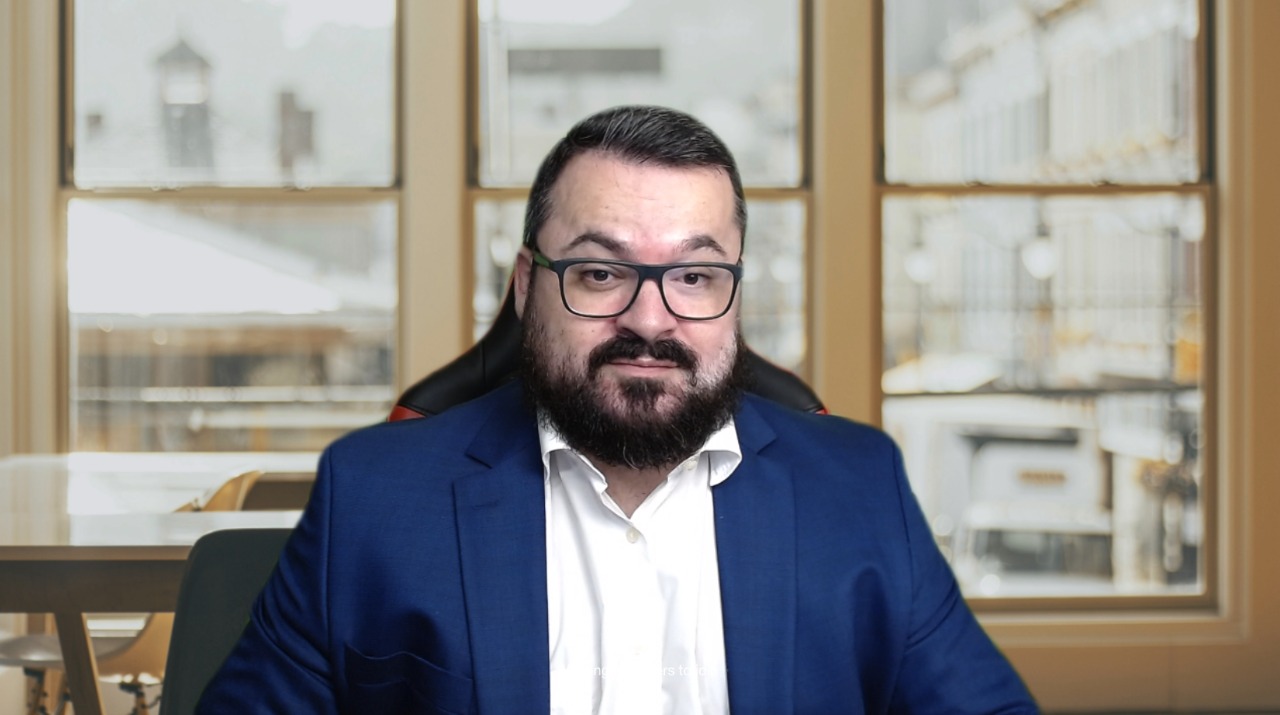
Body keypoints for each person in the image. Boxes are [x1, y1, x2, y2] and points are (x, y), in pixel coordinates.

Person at [198, 105, 1038, 714]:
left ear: (735, 293)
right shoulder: (373, 498)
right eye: (600, 273)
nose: (649, 318)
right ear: (527, 287)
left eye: (695, 275)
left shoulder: (859, 489)